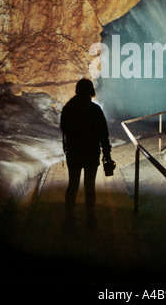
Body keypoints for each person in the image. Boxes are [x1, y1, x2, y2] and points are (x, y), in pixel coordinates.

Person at [60, 78, 113, 229]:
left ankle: (69, 218)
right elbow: (103, 134)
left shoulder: (68, 108)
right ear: (91, 92)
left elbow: (64, 129)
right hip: (90, 153)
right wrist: (107, 154)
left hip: (74, 153)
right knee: (90, 187)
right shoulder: (95, 110)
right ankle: (91, 218)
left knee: (73, 185)